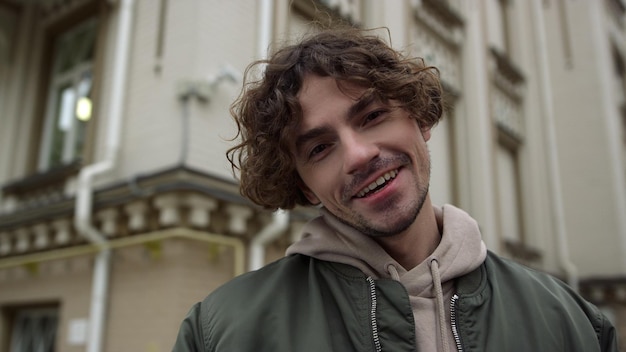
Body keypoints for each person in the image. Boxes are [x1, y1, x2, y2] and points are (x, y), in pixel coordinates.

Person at [172, 27, 618, 351]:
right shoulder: (221, 333)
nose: (359, 155)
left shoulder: (571, 323)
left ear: (420, 119)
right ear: (304, 186)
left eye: (371, 117)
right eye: (321, 147)